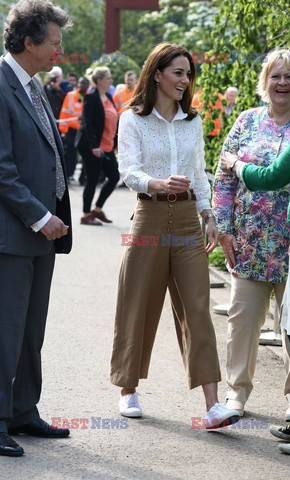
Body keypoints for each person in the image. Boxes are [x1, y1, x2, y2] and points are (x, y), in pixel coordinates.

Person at [109, 43, 241, 430]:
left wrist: (208, 213)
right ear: (157, 75)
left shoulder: (192, 121)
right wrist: (157, 183)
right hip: (148, 214)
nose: (185, 81)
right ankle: (128, 390)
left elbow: (199, 172)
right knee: (138, 302)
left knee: (197, 307)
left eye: (188, 74)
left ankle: (213, 405)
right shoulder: (132, 119)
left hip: (186, 219)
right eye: (178, 73)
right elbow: (127, 170)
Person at [220, 39, 290, 458]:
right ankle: (236, 394)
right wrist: (223, 227)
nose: (283, 82)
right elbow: (223, 178)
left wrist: (238, 167)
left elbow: (268, 174)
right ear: (265, 82)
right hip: (250, 241)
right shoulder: (246, 121)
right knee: (243, 320)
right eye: (275, 75)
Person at [0, 0, 72, 457]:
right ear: (29, 42)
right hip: (14, 234)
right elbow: (2, 168)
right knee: (4, 330)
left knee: (30, 329)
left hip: (40, 238)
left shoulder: (31, 84)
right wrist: (40, 215)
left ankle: (23, 410)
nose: (59, 52)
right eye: (55, 43)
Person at [76, 67, 119, 225]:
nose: (111, 81)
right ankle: (86, 214)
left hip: (107, 146)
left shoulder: (108, 96)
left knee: (114, 177)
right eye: (108, 78)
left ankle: (98, 209)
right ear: (100, 80)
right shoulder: (91, 98)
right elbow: (88, 124)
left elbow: (113, 121)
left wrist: (114, 143)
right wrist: (94, 146)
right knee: (92, 180)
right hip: (91, 147)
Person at [59, 76, 90, 182]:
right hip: (71, 130)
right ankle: (68, 175)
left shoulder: (91, 96)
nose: (82, 85)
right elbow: (64, 112)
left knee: (86, 155)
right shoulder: (71, 95)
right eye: (80, 83)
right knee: (70, 154)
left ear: (88, 86)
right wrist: (63, 130)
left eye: (84, 84)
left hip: (84, 130)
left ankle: (83, 178)